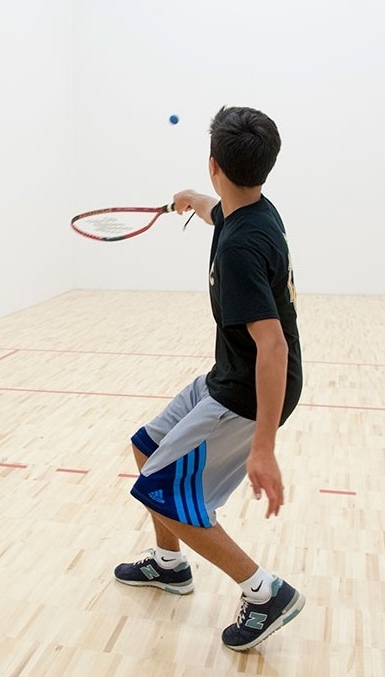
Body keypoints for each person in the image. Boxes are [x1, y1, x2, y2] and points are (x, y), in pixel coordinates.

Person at [112, 106, 304, 651]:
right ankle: (170, 564)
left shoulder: (243, 246)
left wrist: (263, 446)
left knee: (161, 495)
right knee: (146, 448)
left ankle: (265, 593)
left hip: (249, 391)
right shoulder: (253, 212)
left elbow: (274, 347)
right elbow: (216, 210)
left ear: (214, 161)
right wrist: (191, 199)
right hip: (229, 374)